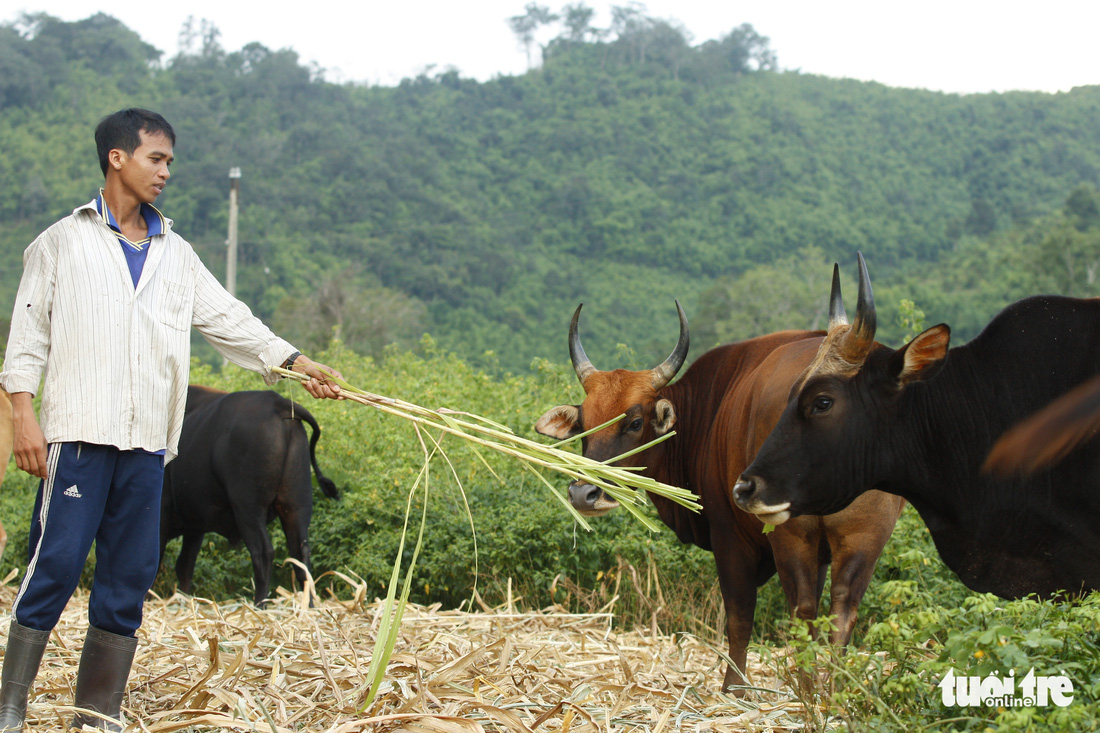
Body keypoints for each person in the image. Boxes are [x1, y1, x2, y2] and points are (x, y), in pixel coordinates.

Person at [0, 108, 342, 731]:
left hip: (148, 444)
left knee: (130, 575)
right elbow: (26, 338)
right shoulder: (61, 242)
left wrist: (296, 363)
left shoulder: (175, 253)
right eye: (156, 159)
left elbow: (229, 320)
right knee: (56, 564)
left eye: (169, 163)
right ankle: (9, 708)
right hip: (77, 435)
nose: (165, 173)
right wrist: (24, 414)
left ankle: (95, 713)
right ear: (117, 158)